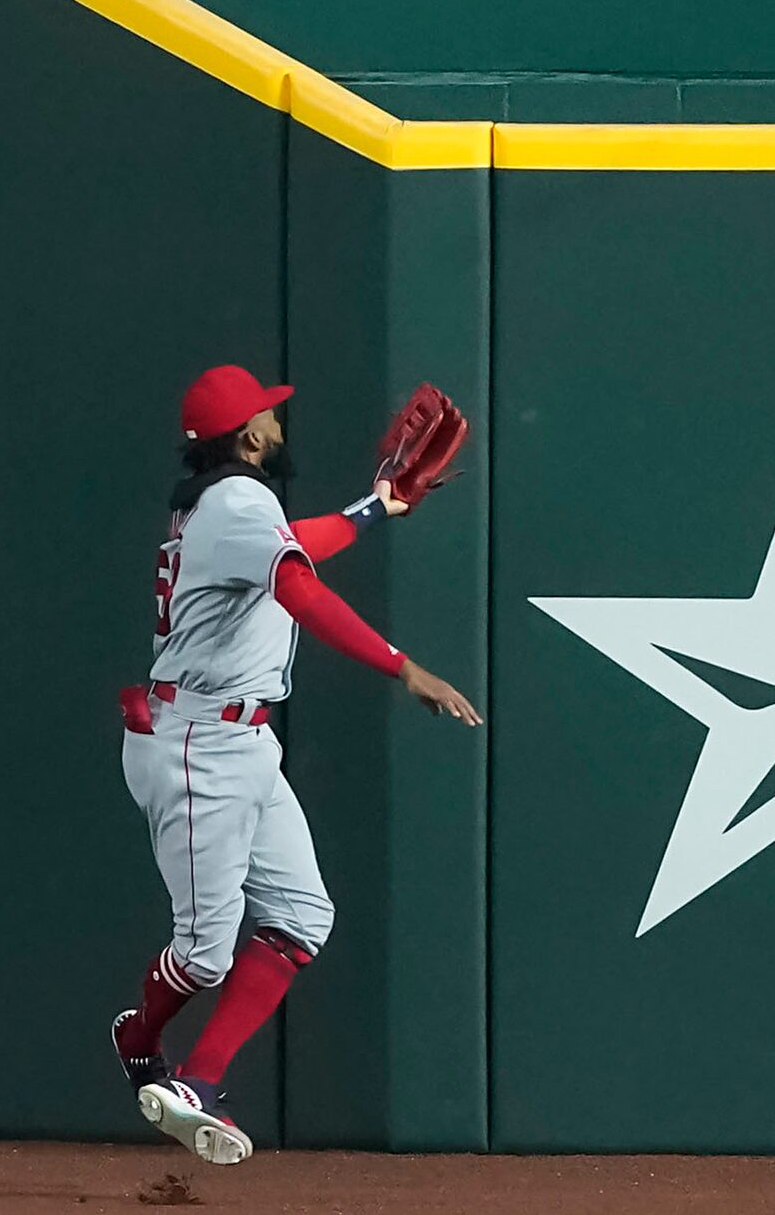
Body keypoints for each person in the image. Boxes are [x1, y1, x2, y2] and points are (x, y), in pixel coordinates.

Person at [114, 366, 480, 1168]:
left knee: (302, 918)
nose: (279, 428)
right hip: (196, 744)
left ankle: (198, 1082)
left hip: (237, 740)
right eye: (268, 419)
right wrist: (402, 667)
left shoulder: (219, 506)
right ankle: (140, 1034)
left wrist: (376, 507)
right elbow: (298, 590)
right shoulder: (241, 503)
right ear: (248, 437)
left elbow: (295, 548)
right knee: (204, 955)